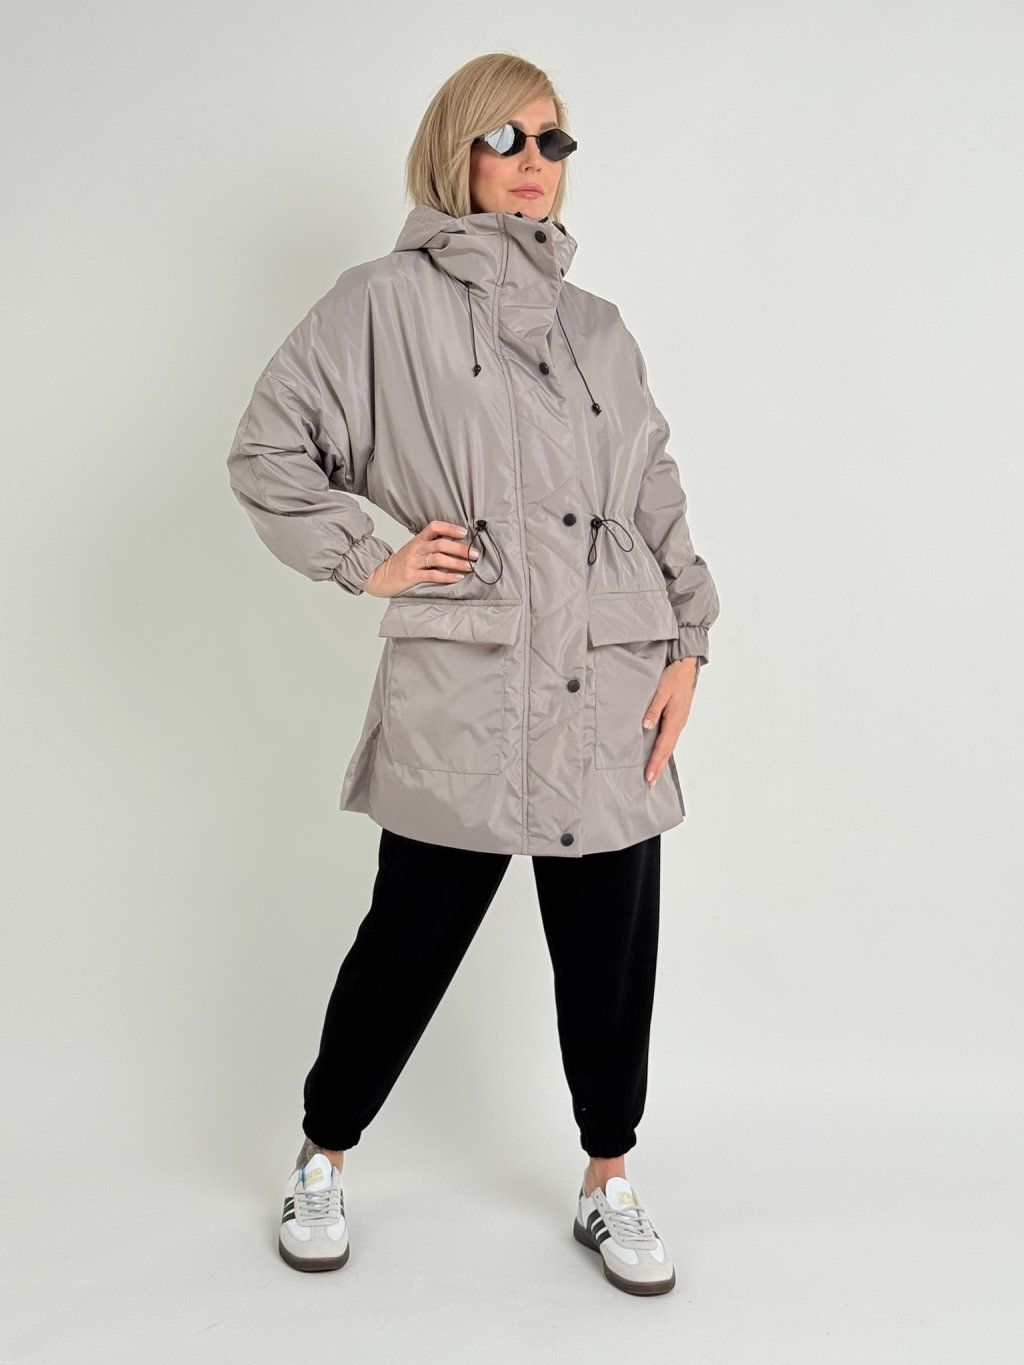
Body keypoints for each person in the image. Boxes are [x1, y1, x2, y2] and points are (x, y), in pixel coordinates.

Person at [227, 52, 720, 1296]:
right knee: (409, 936)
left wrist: (687, 642)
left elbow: (653, 492)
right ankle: (322, 1154)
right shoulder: (381, 305)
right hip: (472, 681)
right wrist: (370, 561)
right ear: (456, 149)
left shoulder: (598, 328)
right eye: (506, 138)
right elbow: (270, 448)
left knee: (610, 949)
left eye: (553, 141)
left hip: (609, 679)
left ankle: (608, 1180)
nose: (532, 163)